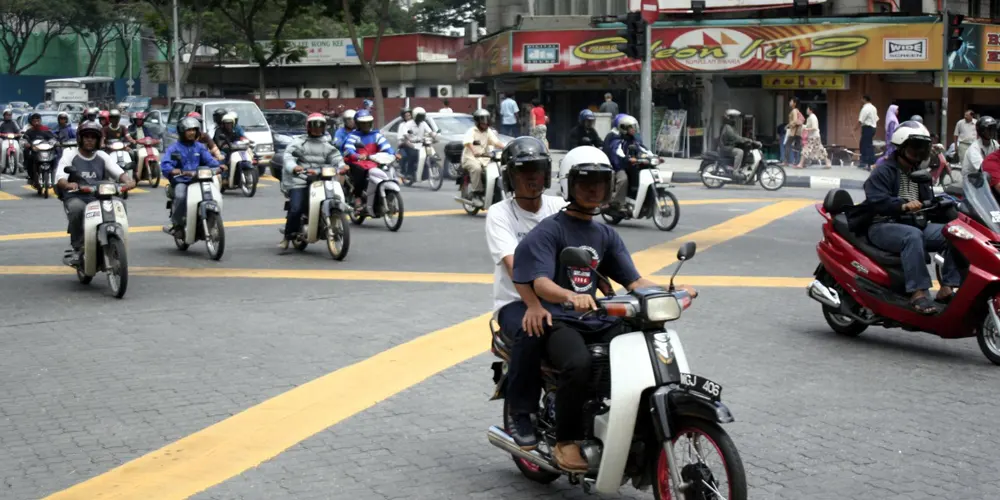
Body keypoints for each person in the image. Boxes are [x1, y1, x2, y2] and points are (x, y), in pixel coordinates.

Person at [511, 145, 697, 472]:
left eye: (600, 181)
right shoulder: (551, 230)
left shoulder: (606, 234)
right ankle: (565, 441)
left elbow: (634, 281)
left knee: (644, 348)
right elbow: (540, 283)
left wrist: (672, 291)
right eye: (585, 182)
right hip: (561, 320)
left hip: (597, 319)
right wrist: (570, 297)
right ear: (568, 185)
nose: (594, 189)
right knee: (579, 363)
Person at [486, 136, 567, 450]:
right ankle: (522, 412)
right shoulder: (500, 214)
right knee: (531, 329)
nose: (532, 177)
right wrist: (535, 302)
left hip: (557, 297)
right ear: (510, 177)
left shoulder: (560, 207)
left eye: (537, 169)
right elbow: (513, 265)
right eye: (523, 171)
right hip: (516, 302)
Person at [859, 121, 962, 315]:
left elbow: (928, 203)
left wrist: (947, 204)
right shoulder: (884, 171)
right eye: (915, 148)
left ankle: (948, 287)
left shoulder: (919, 174)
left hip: (914, 223)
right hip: (883, 225)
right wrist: (902, 205)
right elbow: (875, 200)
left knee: (956, 233)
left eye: (922, 148)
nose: (919, 152)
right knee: (912, 236)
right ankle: (918, 293)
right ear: (901, 147)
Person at [54, 121, 135, 265]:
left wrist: (128, 181)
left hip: (99, 196)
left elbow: (119, 172)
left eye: (93, 137)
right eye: (86, 137)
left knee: (120, 204)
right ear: (80, 138)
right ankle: (78, 247)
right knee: (76, 209)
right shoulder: (70, 154)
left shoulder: (102, 156)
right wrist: (68, 184)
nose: (89, 140)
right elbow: (60, 178)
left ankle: (117, 238)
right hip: (76, 195)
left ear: (98, 140)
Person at [279, 113, 344, 250]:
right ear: (308, 127)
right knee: (296, 209)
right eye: (314, 125)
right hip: (300, 179)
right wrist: (294, 167)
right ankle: (287, 236)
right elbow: (288, 156)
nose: (317, 128)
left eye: (320, 126)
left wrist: (342, 166)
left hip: (321, 178)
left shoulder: (327, 144)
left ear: (324, 127)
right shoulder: (298, 142)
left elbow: (336, 157)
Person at [160, 117, 220, 235]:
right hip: (182, 181)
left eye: (194, 130)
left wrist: (220, 166)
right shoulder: (174, 149)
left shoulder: (200, 147)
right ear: (182, 131)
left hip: (198, 180)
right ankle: (176, 223)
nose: (192, 132)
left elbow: (210, 161)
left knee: (213, 195)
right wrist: (175, 171)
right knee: (181, 196)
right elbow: (166, 165)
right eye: (188, 130)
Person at [342, 109, 400, 214]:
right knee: (360, 173)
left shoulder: (376, 135)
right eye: (363, 124)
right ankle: (358, 197)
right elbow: (348, 149)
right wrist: (357, 155)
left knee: (389, 169)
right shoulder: (353, 136)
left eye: (368, 123)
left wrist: (393, 154)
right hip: (357, 162)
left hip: (373, 162)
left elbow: (386, 146)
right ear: (358, 124)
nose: (366, 126)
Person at [462, 109, 505, 198]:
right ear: (477, 122)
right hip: (470, 158)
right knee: (477, 169)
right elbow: (468, 142)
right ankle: (476, 193)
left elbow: (495, 142)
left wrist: (505, 148)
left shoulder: (488, 131)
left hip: (484, 159)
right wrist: (474, 151)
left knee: (496, 170)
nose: (485, 124)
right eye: (483, 122)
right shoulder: (472, 131)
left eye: (486, 121)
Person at [606, 115, 642, 211]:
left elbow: (641, 148)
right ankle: (616, 202)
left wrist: (653, 156)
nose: (634, 129)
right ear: (623, 128)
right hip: (617, 165)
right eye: (631, 127)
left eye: (634, 127)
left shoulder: (634, 138)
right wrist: (628, 159)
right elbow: (618, 153)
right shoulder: (616, 139)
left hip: (628, 164)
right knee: (623, 179)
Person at [399, 106, 436, 180]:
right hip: (410, 144)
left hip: (421, 145)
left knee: (430, 155)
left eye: (422, 117)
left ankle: (424, 174)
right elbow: (405, 134)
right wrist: (409, 139)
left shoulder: (423, 123)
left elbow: (430, 132)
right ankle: (409, 173)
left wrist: (434, 136)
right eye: (419, 117)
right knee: (413, 155)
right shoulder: (408, 124)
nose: (420, 119)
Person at [22, 113, 56, 187]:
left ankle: (54, 176)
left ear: (40, 121)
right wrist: (27, 144)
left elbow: (53, 138)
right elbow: (25, 139)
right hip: (35, 152)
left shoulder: (46, 130)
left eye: (38, 120)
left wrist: (53, 143)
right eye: (34, 121)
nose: (36, 122)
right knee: (29, 159)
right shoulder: (29, 131)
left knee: (55, 159)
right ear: (32, 122)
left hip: (46, 151)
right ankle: (31, 176)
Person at [796, 104, 832, 169]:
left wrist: (806, 129)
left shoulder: (813, 117)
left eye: (807, 108)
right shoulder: (811, 117)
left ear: (811, 110)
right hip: (814, 136)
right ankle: (827, 162)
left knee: (806, 149)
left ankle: (801, 164)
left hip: (813, 137)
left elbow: (815, 127)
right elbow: (809, 126)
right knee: (820, 149)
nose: (806, 110)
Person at [719, 109, 755, 173]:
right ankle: (735, 171)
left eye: (735, 118)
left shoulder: (730, 127)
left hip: (728, 146)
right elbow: (735, 138)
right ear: (729, 118)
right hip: (726, 148)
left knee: (742, 149)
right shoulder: (728, 127)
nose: (734, 120)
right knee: (739, 152)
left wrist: (746, 139)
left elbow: (737, 136)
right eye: (733, 118)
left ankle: (740, 167)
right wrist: (747, 140)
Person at [857, 95, 878, 170]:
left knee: (864, 145)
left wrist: (854, 129)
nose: (861, 100)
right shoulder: (874, 108)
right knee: (868, 145)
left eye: (862, 99)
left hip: (867, 128)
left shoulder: (865, 108)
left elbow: (860, 120)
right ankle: (869, 162)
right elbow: (876, 119)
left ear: (865, 99)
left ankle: (866, 163)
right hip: (873, 128)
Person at [785, 97, 804, 168]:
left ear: (794, 103)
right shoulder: (797, 110)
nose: (790, 102)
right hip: (797, 131)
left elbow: (795, 120)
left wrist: (788, 125)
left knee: (788, 145)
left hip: (794, 131)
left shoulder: (794, 111)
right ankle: (799, 162)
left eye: (791, 101)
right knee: (798, 147)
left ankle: (786, 162)